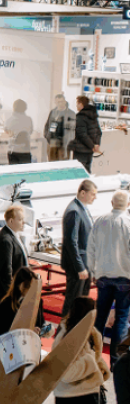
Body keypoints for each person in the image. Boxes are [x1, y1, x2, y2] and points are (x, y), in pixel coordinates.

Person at [54, 297, 109, 404]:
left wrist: (100, 368)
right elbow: (67, 374)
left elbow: (91, 357)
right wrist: (91, 361)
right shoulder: (66, 338)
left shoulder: (90, 333)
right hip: (69, 398)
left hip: (84, 395)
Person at [90, 191, 130, 347]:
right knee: (121, 318)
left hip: (103, 276)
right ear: (127, 205)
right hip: (124, 277)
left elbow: (91, 248)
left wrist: (93, 271)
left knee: (100, 317)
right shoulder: (128, 223)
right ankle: (116, 359)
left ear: (111, 203)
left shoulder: (100, 221)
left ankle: (94, 352)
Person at [0, 267, 47, 362]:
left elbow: (40, 323)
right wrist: (28, 330)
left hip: (27, 343)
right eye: (29, 287)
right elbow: (4, 331)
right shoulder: (7, 304)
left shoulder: (38, 301)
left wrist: (43, 330)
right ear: (21, 286)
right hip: (10, 345)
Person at [61, 180, 98, 319]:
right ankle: (64, 332)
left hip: (85, 263)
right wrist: (80, 267)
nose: (95, 197)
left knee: (81, 302)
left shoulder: (82, 209)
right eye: (93, 194)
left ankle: (75, 330)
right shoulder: (74, 211)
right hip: (78, 266)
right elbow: (72, 242)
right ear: (83, 193)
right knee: (73, 302)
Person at [0, 205, 30, 304]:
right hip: (6, 293)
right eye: (20, 220)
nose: (23, 223)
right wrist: (11, 294)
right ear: (11, 221)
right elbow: (5, 270)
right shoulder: (5, 240)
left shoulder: (13, 235)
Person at [70, 95, 103, 173]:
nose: (76, 105)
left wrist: (92, 145)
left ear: (81, 104)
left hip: (81, 150)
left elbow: (82, 134)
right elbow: (98, 132)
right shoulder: (93, 116)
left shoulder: (80, 117)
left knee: (79, 172)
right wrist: (96, 144)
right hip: (89, 151)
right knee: (87, 171)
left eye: (77, 103)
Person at [45, 94, 76, 162]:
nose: (60, 104)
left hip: (64, 144)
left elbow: (72, 130)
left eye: (61, 101)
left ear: (65, 101)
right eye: (58, 102)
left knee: (62, 164)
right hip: (52, 142)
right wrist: (47, 137)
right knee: (51, 164)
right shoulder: (53, 112)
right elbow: (47, 125)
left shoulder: (71, 113)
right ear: (55, 103)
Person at [5, 99, 35, 165]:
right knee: (25, 172)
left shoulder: (9, 120)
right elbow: (30, 131)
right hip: (25, 150)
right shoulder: (28, 119)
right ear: (25, 108)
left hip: (12, 150)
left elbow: (6, 131)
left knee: (13, 172)